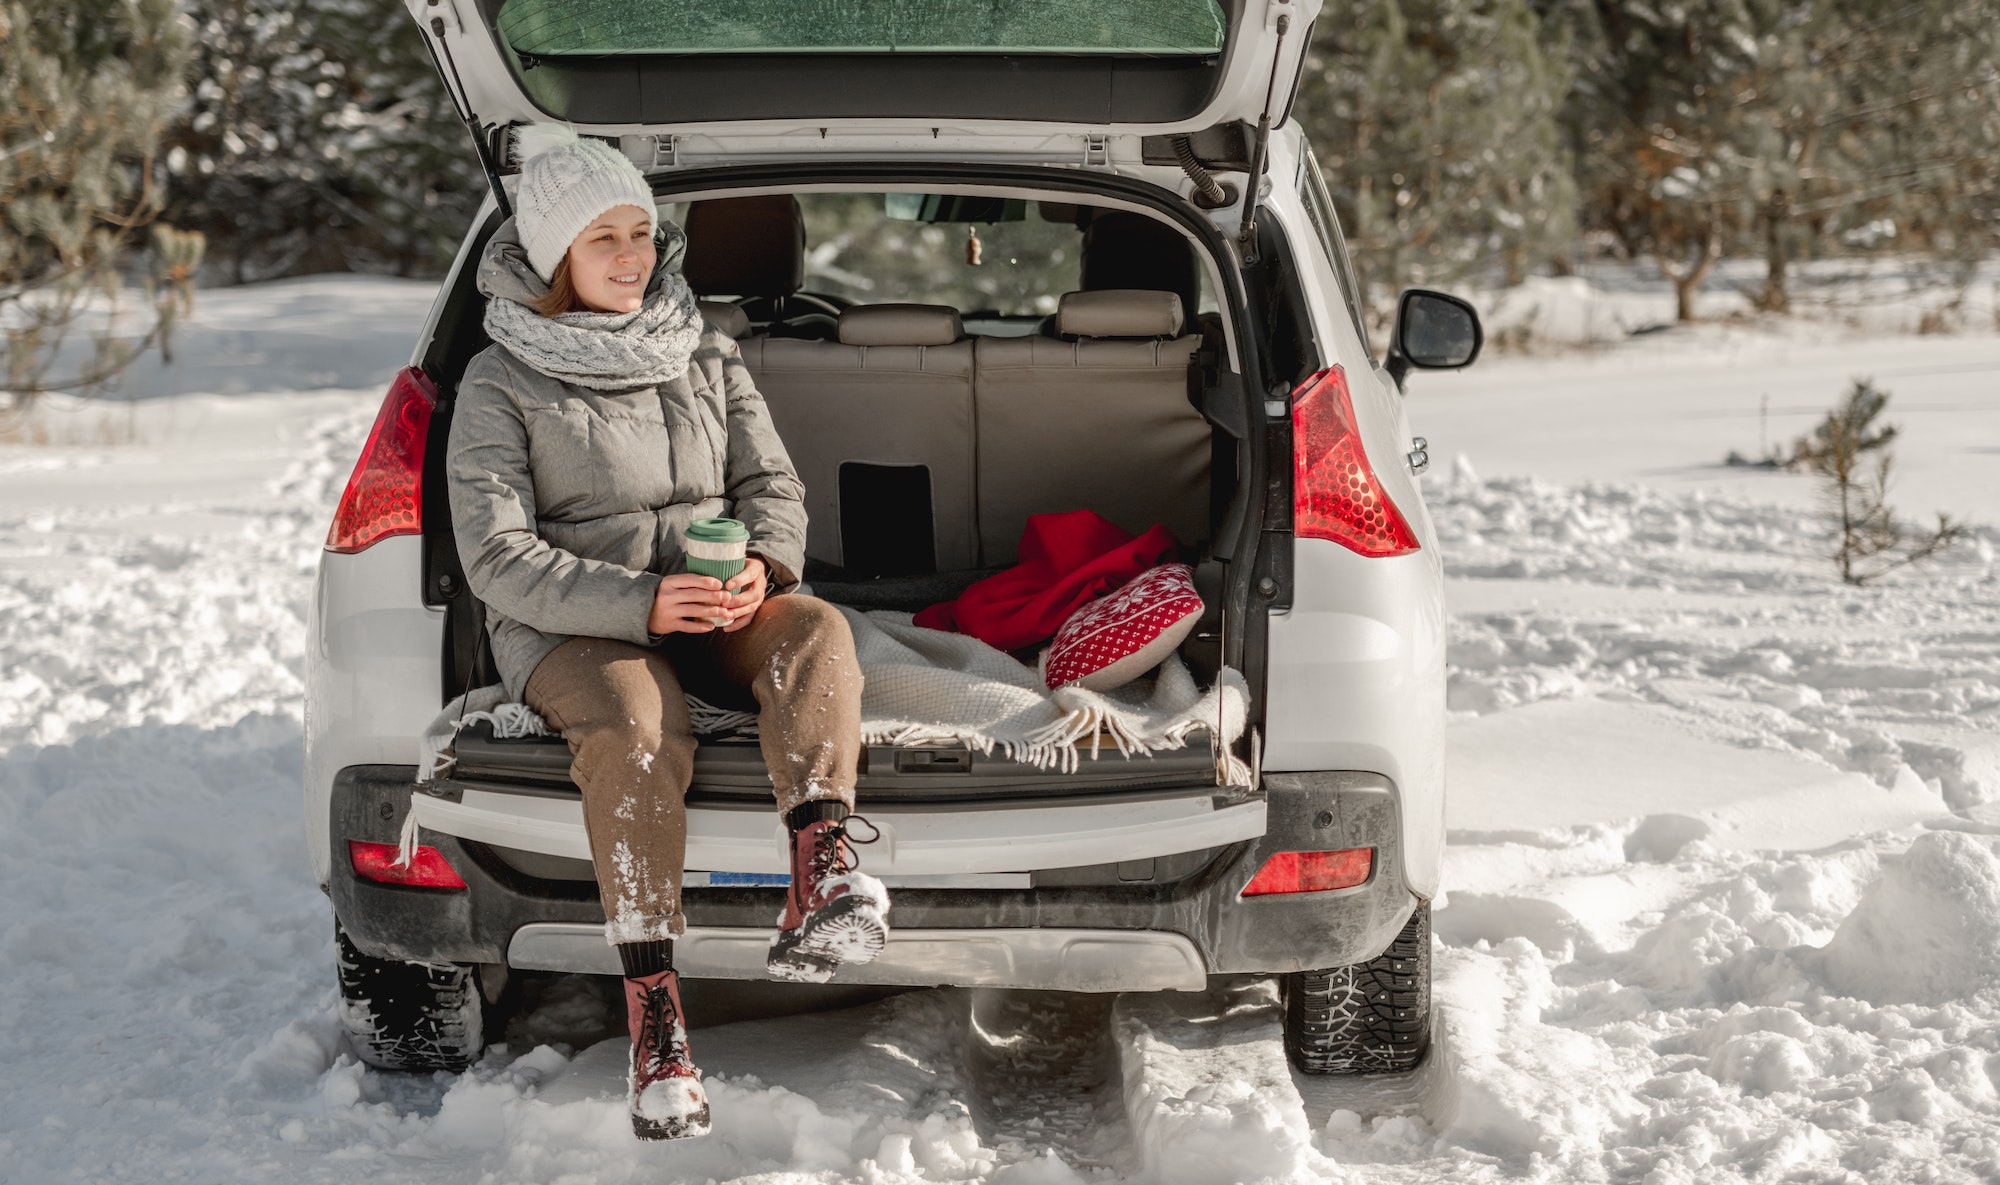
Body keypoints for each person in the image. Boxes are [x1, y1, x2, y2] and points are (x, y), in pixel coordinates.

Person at [445, 124, 888, 1142]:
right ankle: (657, 1023)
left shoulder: (704, 350)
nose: (633, 255)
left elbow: (769, 486)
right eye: (604, 237)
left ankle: (817, 875)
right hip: (572, 629)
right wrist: (639, 606)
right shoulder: (498, 381)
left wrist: (758, 572)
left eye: (641, 231)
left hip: (709, 605)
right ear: (554, 255)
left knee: (814, 630)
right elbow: (496, 557)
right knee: (638, 732)